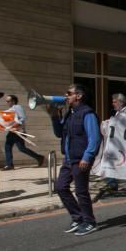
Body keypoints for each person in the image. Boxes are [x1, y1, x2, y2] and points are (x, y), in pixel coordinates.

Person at [50, 83, 102, 236]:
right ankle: (78, 218)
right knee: (60, 187)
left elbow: (94, 138)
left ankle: (90, 221)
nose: (66, 96)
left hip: (80, 158)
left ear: (79, 96)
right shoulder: (70, 114)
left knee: (81, 191)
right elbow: (59, 133)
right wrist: (54, 116)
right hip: (69, 158)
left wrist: (87, 157)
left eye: (69, 93)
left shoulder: (88, 114)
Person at [0, 94, 44, 170]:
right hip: (12, 131)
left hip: (18, 132)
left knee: (21, 148)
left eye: (8, 101)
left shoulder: (17, 107)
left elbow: (22, 118)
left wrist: (17, 127)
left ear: (13, 101)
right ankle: (9, 164)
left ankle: (39, 157)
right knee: (8, 146)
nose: (6, 102)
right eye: (6, 101)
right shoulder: (11, 109)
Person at [104, 93, 126, 196]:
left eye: (115, 102)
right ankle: (112, 184)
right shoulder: (117, 113)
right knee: (109, 160)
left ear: (121, 102)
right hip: (118, 144)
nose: (112, 104)